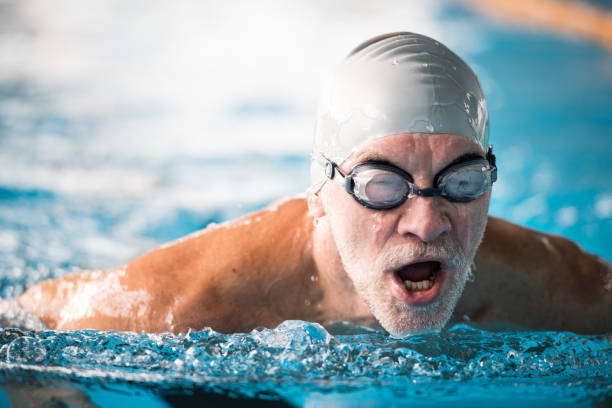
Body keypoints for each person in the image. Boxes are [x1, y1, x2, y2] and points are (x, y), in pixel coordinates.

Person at [15, 32, 612, 337]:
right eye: (382, 185)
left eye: (462, 180)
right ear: (319, 192)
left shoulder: (559, 290)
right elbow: (24, 318)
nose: (427, 223)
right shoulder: (196, 299)